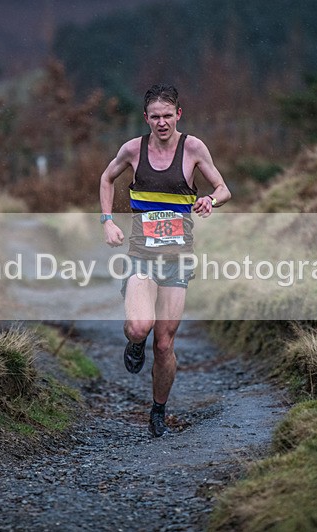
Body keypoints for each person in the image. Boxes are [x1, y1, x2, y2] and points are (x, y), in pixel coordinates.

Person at [98, 83, 231, 437]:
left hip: (177, 258)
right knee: (141, 327)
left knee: (165, 343)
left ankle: (158, 410)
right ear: (146, 118)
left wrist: (210, 202)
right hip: (142, 255)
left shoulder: (193, 148)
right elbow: (106, 178)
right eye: (154, 117)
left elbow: (223, 189)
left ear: (178, 115)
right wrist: (107, 221)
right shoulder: (132, 150)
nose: (161, 122)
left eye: (167, 116)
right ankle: (134, 341)